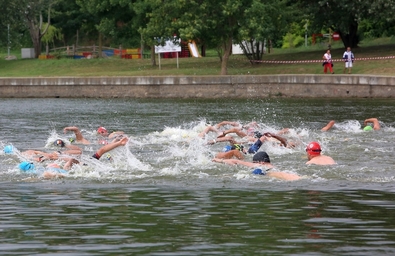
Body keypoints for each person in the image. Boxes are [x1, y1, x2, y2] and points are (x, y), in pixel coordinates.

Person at [212, 151, 301, 181]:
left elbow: (235, 161)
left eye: (254, 162)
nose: (253, 164)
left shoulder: (260, 165)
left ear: (261, 162)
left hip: (268, 174)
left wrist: (219, 160)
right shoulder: (274, 166)